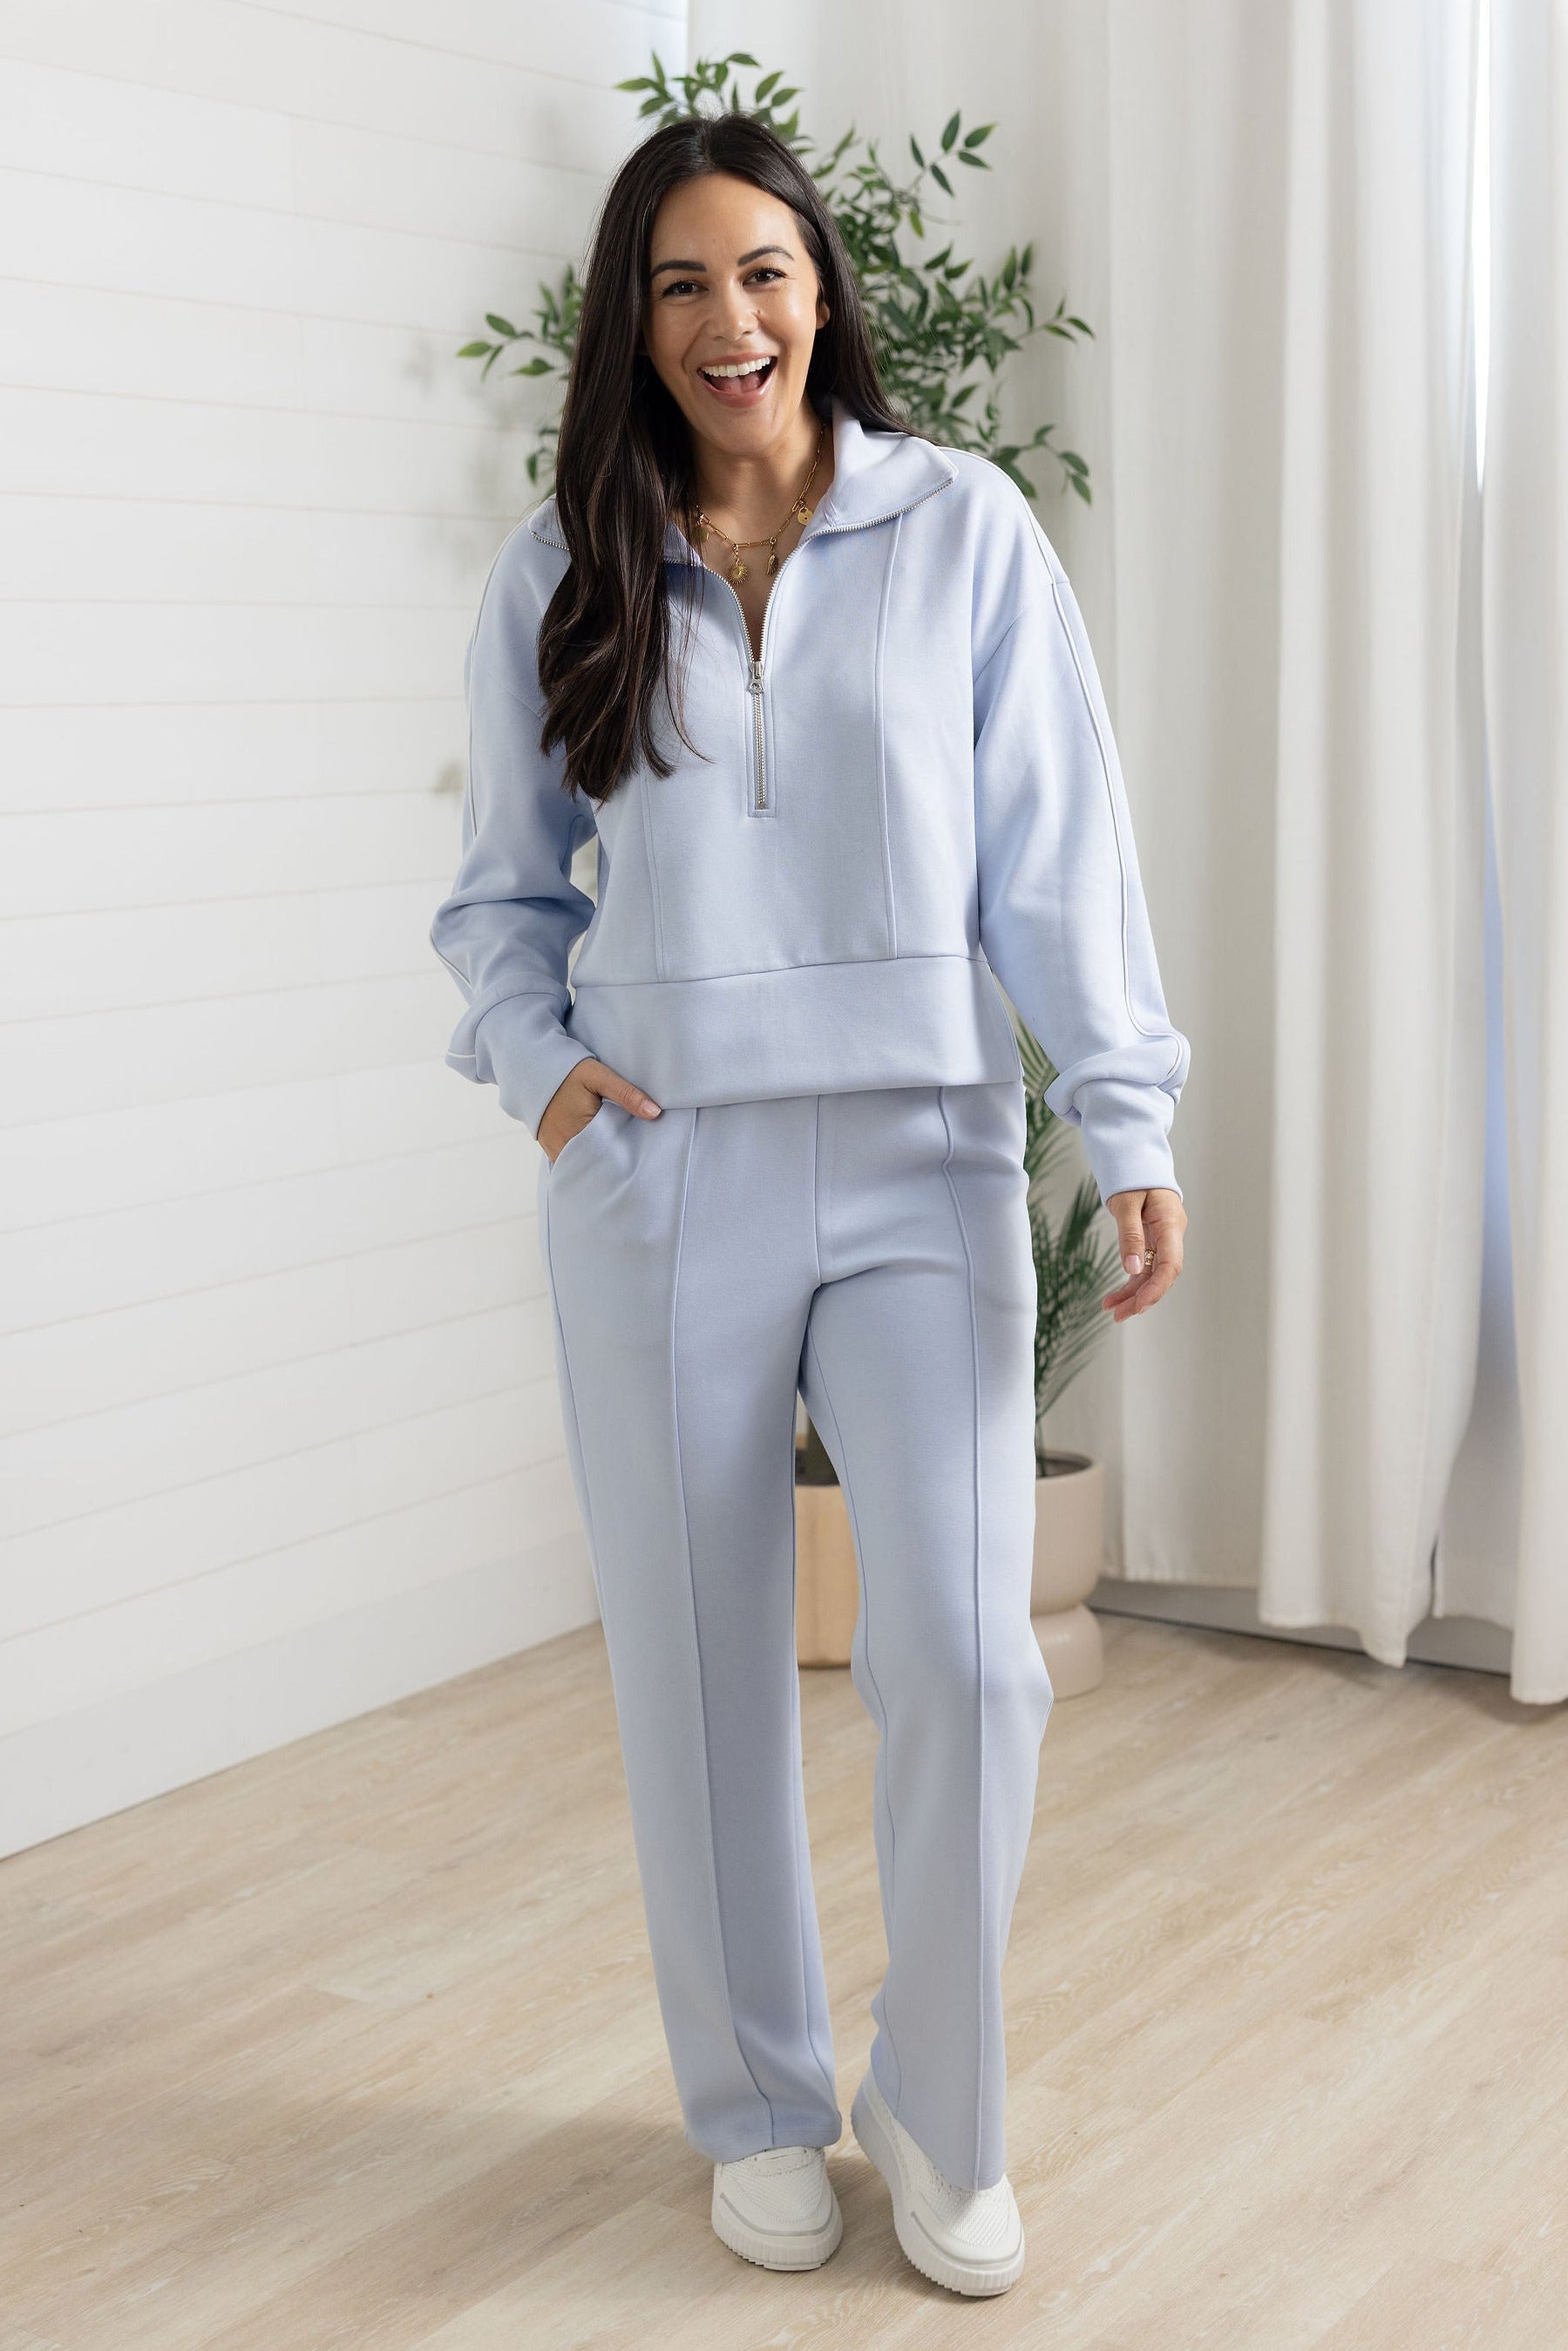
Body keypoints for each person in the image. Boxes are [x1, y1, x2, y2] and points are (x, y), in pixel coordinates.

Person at [431, 110, 1189, 2300]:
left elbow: (1059, 853)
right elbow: (498, 899)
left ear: (821, 290)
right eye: (679, 283)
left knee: (964, 1652)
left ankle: (943, 2110)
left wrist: (1126, 1112)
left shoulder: (962, 530)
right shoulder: (565, 563)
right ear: (634, 320)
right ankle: (756, 2106)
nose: (728, 318)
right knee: (695, 1676)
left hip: (924, 1156)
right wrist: (544, 1075)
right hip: (662, 1166)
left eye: (761, 270)